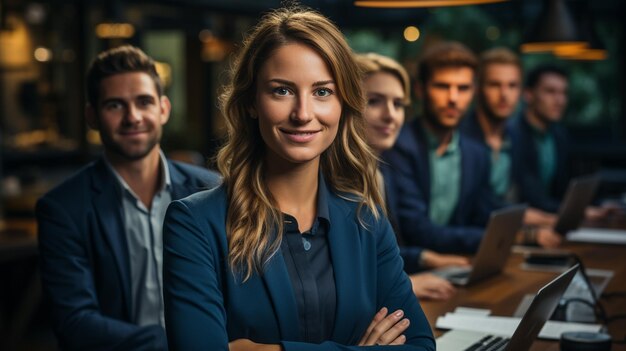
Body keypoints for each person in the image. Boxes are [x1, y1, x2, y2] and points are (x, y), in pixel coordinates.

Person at [162, 7, 435, 351]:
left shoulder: (366, 218)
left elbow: (421, 345)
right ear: (250, 102)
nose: (303, 114)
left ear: (343, 104)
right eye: (282, 91)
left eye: (322, 92)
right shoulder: (194, 223)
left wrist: (271, 350)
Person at [36, 45, 221, 350]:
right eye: (115, 106)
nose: (132, 117)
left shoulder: (212, 190)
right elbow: (75, 321)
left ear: (163, 109)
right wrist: (177, 344)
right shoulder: (62, 208)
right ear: (92, 116)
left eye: (144, 102)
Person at [356, 52, 467, 300]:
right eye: (374, 101)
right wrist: (406, 283)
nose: (391, 115)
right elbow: (339, 270)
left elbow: (377, 253)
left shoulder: (379, 171)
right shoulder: (331, 178)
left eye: (398, 104)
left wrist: (426, 258)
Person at [383, 42, 498, 253]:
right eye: (442, 86)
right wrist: (490, 237)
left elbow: (485, 214)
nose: (453, 98)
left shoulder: (477, 153)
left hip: (462, 263)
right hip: (411, 268)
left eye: (463, 88)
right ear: (420, 90)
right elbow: (415, 229)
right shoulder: (397, 146)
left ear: (473, 92)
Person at [461, 48, 561, 248]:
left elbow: (529, 193)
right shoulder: (461, 138)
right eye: (494, 85)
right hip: (468, 240)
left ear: (521, 91)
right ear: (478, 88)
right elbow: (476, 206)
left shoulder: (516, 137)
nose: (504, 95)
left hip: (504, 238)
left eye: (512, 86)